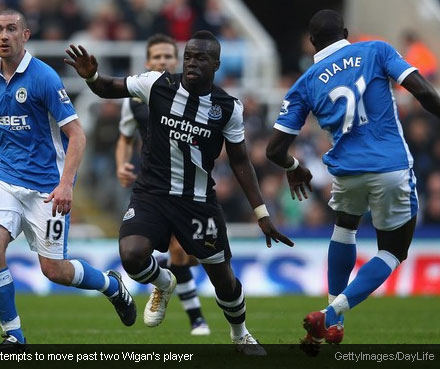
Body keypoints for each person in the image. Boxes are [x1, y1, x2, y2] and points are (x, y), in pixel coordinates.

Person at [65, 30, 293, 354]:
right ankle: (163, 282)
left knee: (223, 280)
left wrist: (262, 213)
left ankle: (240, 334)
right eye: (188, 56)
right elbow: (108, 87)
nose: (192, 62)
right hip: (152, 194)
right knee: (130, 255)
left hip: (197, 203)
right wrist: (92, 76)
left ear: (216, 63)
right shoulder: (157, 85)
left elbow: (241, 160)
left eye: (201, 58)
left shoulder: (227, 108)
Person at [0, 9, 136, 351]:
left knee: (55, 271)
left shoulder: (44, 78)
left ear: (26, 35)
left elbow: (77, 136)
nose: (4, 36)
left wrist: (65, 184)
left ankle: (110, 285)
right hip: (6, 179)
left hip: (48, 187)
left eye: (12, 29)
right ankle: (14, 336)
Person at [266, 9, 440, 350]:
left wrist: (293, 166)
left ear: (312, 42)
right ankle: (331, 314)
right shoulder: (377, 50)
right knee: (393, 250)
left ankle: (334, 326)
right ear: (345, 32)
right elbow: (423, 92)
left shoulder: (306, 81)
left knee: (344, 229)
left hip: (346, 172)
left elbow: (274, 150)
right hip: (390, 167)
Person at [116, 34, 210, 336]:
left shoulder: (194, 93)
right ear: (148, 62)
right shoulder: (134, 100)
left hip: (189, 186)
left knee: (183, 254)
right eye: (156, 57)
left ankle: (193, 313)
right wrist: (121, 164)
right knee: (162, 253)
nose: (162, 62)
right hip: (153, 188)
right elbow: (125, 138)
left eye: (168, 57)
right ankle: (194, 315)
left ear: (177, 61)